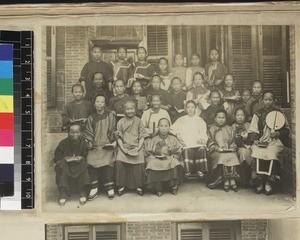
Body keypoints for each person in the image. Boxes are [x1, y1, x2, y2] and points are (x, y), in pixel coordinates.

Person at [247, 91, 290, 195]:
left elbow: (287, 129)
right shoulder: (258, 113)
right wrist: (256, 139)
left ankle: (269, 182)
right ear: (263, 100)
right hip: (261, 140)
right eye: (265, 99)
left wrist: (278, 133)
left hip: (274, 141)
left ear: (273, 100)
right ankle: (259, 181)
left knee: (272, 153)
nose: (268, 102)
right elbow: (253, 129)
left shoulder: (279, 113)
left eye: (270, 100)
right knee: (257, 152)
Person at [83, 95, 116, 200]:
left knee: (108, 161)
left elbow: (112, 130)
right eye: (98, 101)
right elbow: (88, 132)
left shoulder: (110, 116)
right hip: (96, 146)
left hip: (107, 145)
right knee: (91, 160)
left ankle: (110, 188)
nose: (99, 104)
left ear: (105, 104)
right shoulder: (91, 117)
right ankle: (94, 187)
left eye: (102, 102)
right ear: (94, 103)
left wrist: (112, 142)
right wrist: (90, 142)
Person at [52, 123, 90, 206]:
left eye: (77, 132)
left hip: (80, 165)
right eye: (72, 132)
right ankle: (63, 193)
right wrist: (66, 159)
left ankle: (83, 192)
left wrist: (81, 157)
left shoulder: (84, 142)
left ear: (81, 133)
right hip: (66, 166)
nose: (75, 135)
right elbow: (57, 157)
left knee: (84, 163)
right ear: (69, 133)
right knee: (62, 165)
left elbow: (87, 154)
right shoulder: (63, 143)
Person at [115, 100, 147, 196]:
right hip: (124, 147)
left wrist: (138, 148)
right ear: (124, 110)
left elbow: (142, 137)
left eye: (132, 109)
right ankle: (121, 185)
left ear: (135, 110)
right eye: (127, 109)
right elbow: (119, 138)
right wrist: (122, 148)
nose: (130, 111)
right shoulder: (120, 122)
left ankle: (138, 185)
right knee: (119, 161)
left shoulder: (139, 121)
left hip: (137, 147)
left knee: (140, 162)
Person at [145, 118, 183, 197]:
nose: (163, 128)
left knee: (174, 162)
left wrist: (173, 156)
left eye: (166, 126)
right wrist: (152, 157)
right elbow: (148, 152)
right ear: (158, 127)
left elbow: (178, 151)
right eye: (161, 126)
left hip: (169, 158)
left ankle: (173, 186)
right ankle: (157, 188)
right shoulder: (153, 139)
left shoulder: (173, 139)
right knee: (152, 163)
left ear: (169, 128)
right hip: (156, 159)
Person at [171, 100, 208, 178]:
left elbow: (203, 132)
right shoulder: (181, 119)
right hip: (186, 142)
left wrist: (202, 139)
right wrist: (177, 134)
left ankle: (200, 169)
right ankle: (188, 170)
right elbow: (172, 129)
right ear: (185, 109)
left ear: (195, 109)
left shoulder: (199, 120)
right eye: (188, 107)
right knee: (187, 149)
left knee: (201, 148)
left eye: (192, 107)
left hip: (196, 142)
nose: (190, 109)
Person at [206, 110, 240, 192]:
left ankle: (232, 179)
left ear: (226, 118)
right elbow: (210, 142)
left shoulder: (230, 128)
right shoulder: (211, 129)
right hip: (216, 151)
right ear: (215, 119)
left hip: (228, 150)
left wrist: (231, 148)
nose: (221, 120)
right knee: (222, 156)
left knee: (233, 155)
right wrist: (218, 148)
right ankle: (225, 180)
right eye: (219, 118)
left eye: (223, 118)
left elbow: (232, 141)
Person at [231, 108, 252, 187]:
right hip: (237, 148)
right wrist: (237, 138)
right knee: (243, 153)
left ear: (245, 116)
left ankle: (249, 178)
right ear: (234, 116)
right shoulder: (232, 127)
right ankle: (243, 180)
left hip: (249, 146)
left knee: (247, 152)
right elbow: (230, 140)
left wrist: (247, 137)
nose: (240, 117)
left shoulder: (249, 125)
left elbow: (253, 137)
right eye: (238, 115)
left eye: (242, 115)